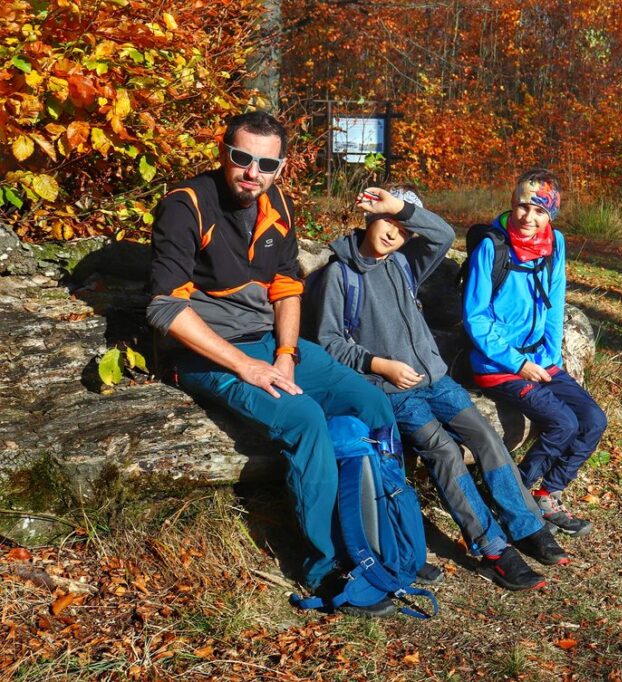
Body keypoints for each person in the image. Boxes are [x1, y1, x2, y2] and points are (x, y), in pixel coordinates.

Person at [147, 111, 423, 617]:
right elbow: (166, 309)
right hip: (205, 352)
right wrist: (247, 367)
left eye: (266, 163)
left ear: (282, 167)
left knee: (371, 401)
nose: (252, 172)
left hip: (269, 344)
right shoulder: (185, 206)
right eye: (242, 158)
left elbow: (287, 289)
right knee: (305, 419)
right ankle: (325, 564)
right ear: (223, 151)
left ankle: (386, 536)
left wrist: (286, 354)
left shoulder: (277, 204)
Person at [304, 185, 569, 591]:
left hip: (437, 380)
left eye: (404, 229)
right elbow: (328, 343)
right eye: (388, 222)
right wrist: (380, 365)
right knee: (444, 452)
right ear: (370, 216)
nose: (395, 234)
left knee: (485, 438)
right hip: (392, 391)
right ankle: (493, 548)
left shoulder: (404, 264)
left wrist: (400, 209)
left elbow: (444, 234)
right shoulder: (340, 275)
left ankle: (526, 524)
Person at [463, 168, 607, 536]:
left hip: (540, 359)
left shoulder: (554, 243)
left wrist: (550, 358)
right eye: (523, 206)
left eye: (540, 210)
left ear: (550, 215)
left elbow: (555, 304)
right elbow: (475, 318)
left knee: (593, 419)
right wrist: (518, 362)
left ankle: (548, 491)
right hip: (496, 364)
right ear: (513, 204)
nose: (529, 217)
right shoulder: (492, 247)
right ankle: (515, 498)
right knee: (563, 422)